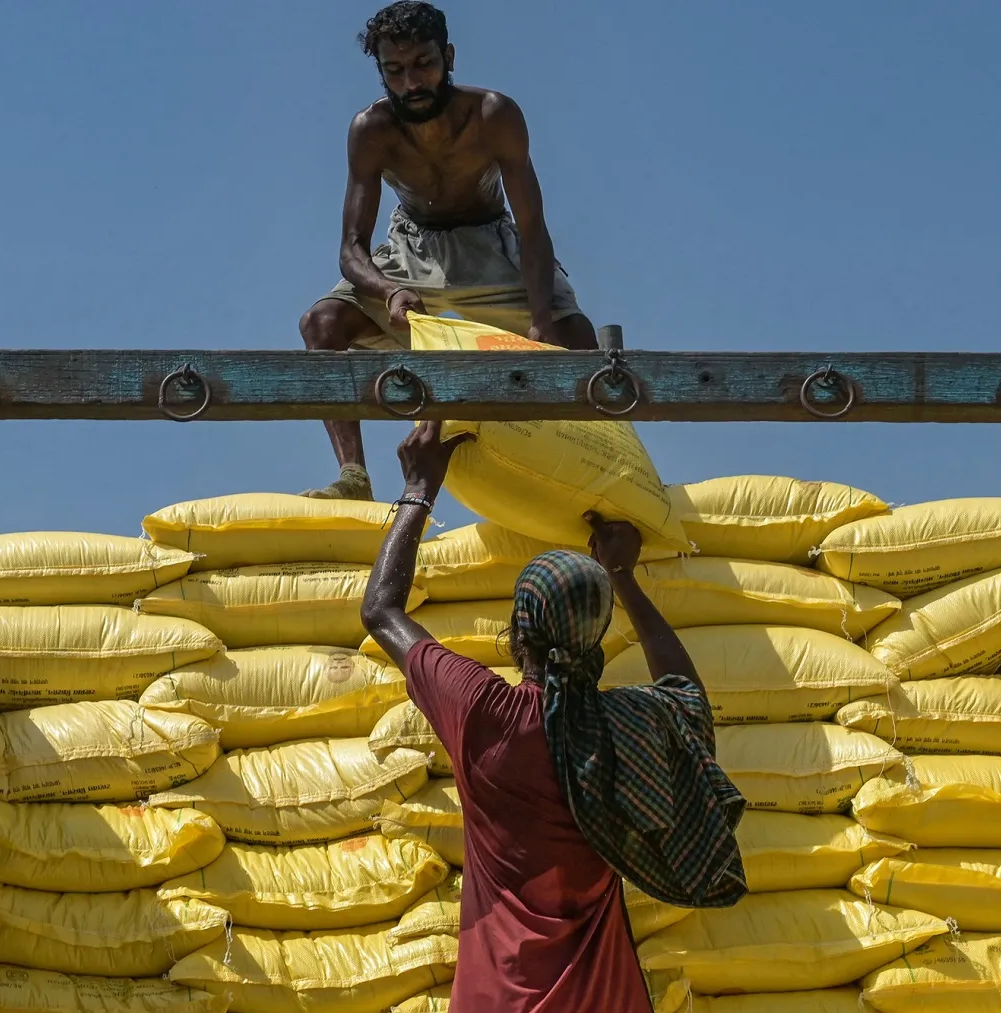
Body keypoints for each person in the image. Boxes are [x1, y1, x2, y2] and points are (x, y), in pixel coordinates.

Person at [361, 423, 747, 1013]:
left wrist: (419, 487)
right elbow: (686, 696)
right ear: (597, 638)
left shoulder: (487, 714)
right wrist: (623, 578)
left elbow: (381, 610)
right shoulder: (627, 727)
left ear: (519, 632)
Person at [298, 1, 599, 501]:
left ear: (449, 57)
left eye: (424, 64)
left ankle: (593, 483)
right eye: (394, 71)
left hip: (490, 244)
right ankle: (354, 478)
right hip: (412, 248)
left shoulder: (493, 115)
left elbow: (533, 228)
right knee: (321, 324)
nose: (412, 83)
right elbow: (351, 249)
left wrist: (542, 315)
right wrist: (389, 291)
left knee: (580, 339)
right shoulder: (371, 130)